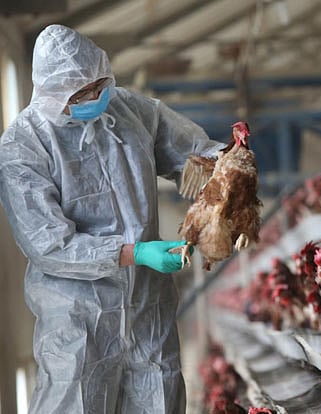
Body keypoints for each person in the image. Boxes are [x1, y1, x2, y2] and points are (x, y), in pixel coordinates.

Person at [0, 24, 224, 413]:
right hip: (77, 315)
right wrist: (135, 253)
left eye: (98, 85)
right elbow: (49, 244)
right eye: (79, 94)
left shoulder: (130, 110)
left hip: (147, 306)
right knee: (75, 400)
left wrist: (228, 167)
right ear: (51, 95)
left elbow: (194, 156)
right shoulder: (23, 146)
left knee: (158, 395)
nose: (94, 97)